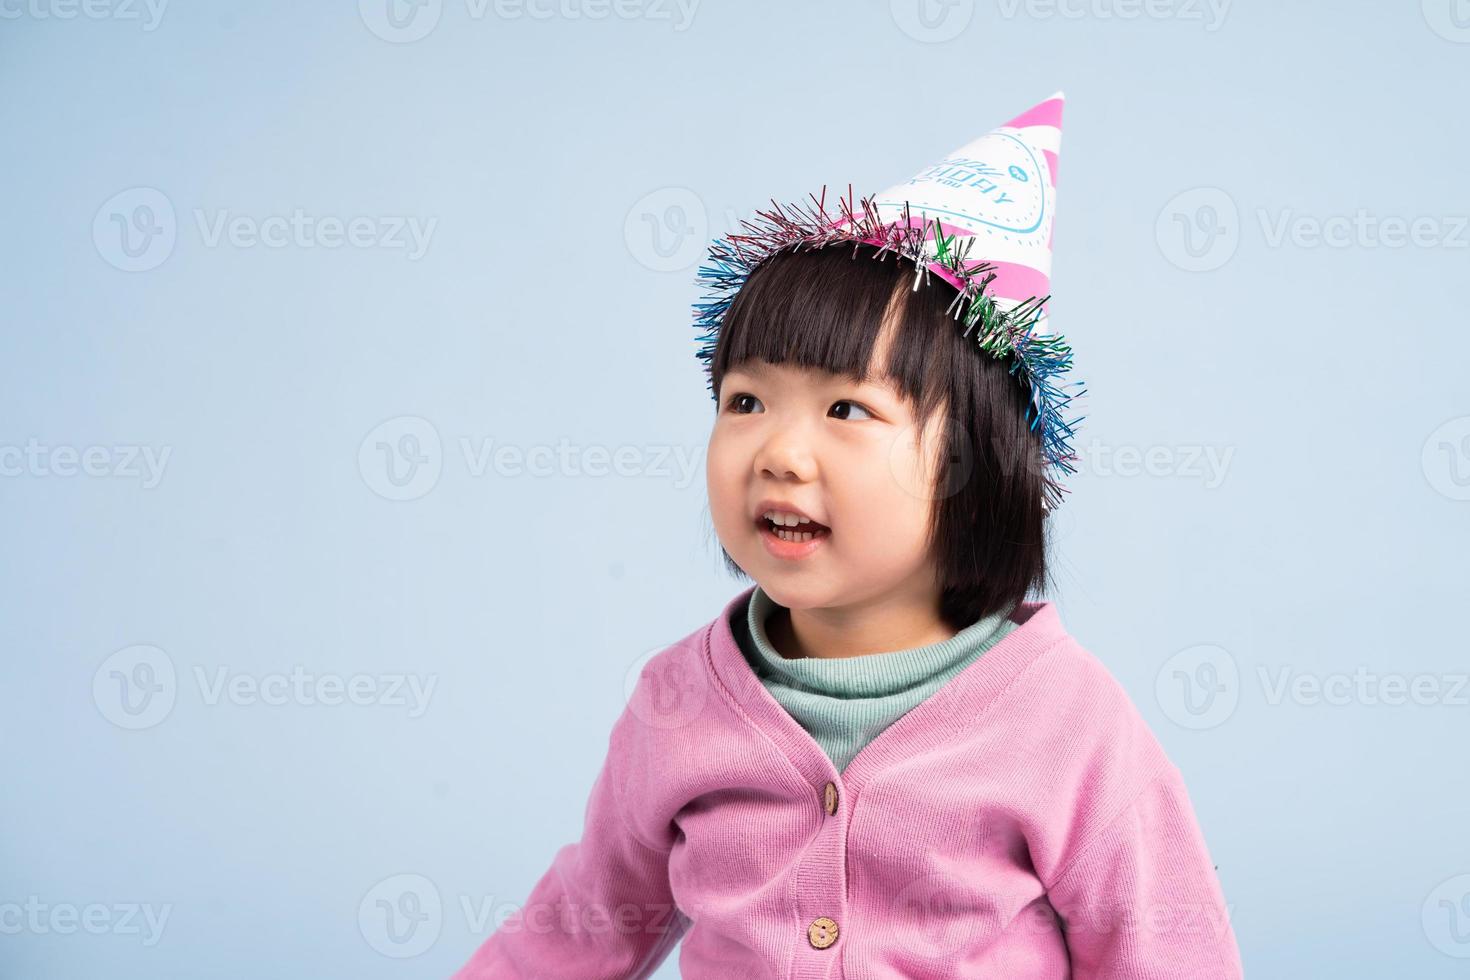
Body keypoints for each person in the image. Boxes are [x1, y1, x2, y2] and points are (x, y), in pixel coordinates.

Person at [450, 91, 1243, 978]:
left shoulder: (1067, 721)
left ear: (968, 463)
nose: (780, 453)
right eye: (745, 401)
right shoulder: (675, 703)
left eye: (845, 408)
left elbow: (1168, 951)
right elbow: (583, 929)